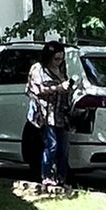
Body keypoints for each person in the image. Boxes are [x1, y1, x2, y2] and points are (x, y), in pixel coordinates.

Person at [26, 41, 73, 192]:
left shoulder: (61, 70)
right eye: (56, 59)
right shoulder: (38, 69)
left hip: (61, 114)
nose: (59, 62)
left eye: (61, 59)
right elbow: (37, 89)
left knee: (63, 148)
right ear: (48, 57)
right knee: (51, 145)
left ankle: (61, 179)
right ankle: (47, 177)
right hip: (45, 114)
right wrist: (59, 87)